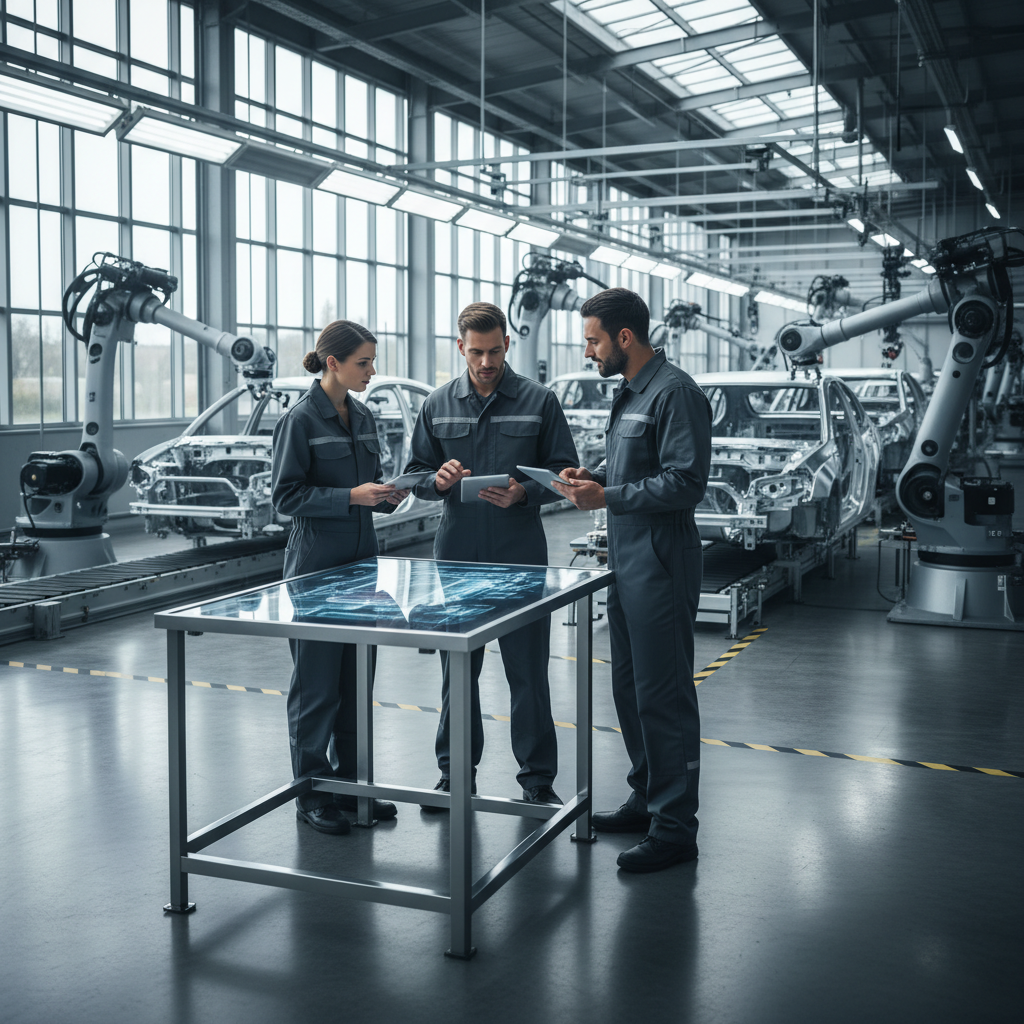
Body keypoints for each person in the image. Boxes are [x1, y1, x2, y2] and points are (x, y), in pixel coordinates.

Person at [552, 288, 712, 872]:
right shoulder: (630, 391)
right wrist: (590, 476)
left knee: (663, 695)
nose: (588, 350)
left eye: (593, 339)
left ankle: (675, 828)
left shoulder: (675, 393)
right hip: (625, 558)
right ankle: (647, 797)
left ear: (624, 337)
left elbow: (687, 482)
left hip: (661, 560)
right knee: (629, 689)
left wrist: (608, 495)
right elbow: (634, 470)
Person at [404, 302, 577, 807]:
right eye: (476, 352)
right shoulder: (437, 404)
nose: (486, 362)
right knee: (457, 671)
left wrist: (526, 491)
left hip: (520, 552)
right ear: (460, 347)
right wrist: (435, 482)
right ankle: (455, 774)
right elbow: (416, 472)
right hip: (457, 555)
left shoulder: (539, 400)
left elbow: (565, 470)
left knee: (528, 672)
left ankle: (538, 780)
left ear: (507, 345)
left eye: (495, 351)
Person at [271, 320, 410, 835]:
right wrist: (350, 497)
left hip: (362, 564)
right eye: (363, 363)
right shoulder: (301, 421)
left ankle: (353, 788)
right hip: (315, 567)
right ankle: (312, 793)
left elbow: (367, 483)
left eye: (372, 361)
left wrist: (386, 492)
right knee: (316, 686)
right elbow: (284, 499)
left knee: (356, 681)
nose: (372, 371)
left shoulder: (365, 415)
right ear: (333, 363)